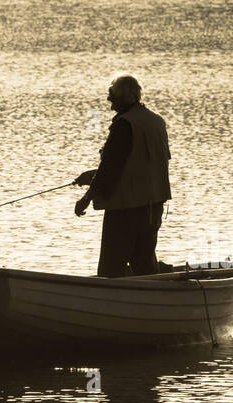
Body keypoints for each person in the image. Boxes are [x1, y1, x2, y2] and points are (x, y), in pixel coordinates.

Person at [73, 75, 172, 277]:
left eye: (112, 97)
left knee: (111, 268)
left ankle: (111, 304)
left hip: (126, 208)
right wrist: (92, 174)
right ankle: (154, 302)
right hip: (154, 206)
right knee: (144, 263)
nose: (109, 103)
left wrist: (86, 198)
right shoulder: (156, 121)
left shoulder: (124, 125)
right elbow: (140, 163)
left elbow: (110, 168)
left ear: (124, 97)